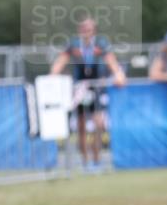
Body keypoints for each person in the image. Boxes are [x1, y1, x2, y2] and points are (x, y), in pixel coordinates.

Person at [49, 17, 126, 168]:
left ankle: (96, 160)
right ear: (79, 30)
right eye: (83, 29)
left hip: (97, 87)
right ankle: (85, 162)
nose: (86, 32)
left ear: (94, 30)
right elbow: (61, 61)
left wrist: (118, 74)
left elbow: (111, 61)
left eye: (89, 29)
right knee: (81, 126)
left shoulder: (101, 43)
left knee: (99, 124)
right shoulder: (73, 44)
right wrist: (52, 75)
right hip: (80, 88)